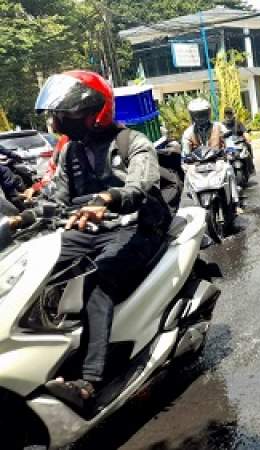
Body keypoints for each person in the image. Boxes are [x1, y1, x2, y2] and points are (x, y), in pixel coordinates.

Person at [32, 70, 171, 411]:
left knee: (98, 283)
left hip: (133, 227)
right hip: (86, 230)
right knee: (34, 266)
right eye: (58, 115)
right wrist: (25, 216)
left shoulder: (132, 142)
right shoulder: (70, 152)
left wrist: (107, 198)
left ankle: (89, 382)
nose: (59, 122)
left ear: (95, 112)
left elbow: (141, 187)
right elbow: (57, 198)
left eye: (66, 114)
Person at [222, 106, 255, 176]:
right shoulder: (222, 125)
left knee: (248, 147)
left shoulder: (238, 123)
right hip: (227, 145)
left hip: (238, 143)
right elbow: (219, 135)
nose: (228, 115)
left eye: (230, 113)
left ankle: (251, 168)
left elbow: (244, 132)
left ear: (233, 114)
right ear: (224, 115)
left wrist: (247, 137)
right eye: (227, 113)